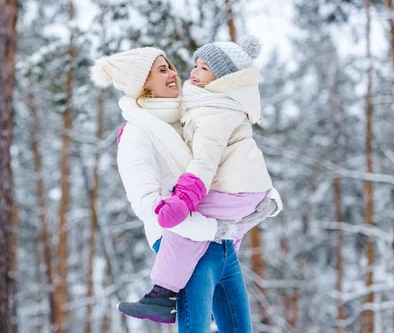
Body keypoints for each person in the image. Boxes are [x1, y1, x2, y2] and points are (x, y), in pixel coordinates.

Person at [91, 42, 281, 332]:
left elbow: (228, 162)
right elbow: (146, 204)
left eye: (170, 66)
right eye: (162, 69)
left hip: (223, 244)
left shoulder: (196, 109)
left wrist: (259, 197)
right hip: (185, 240)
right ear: (142, 83)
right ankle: (159, 297)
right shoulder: (136, 133)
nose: (174, 73)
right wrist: (210, 228)